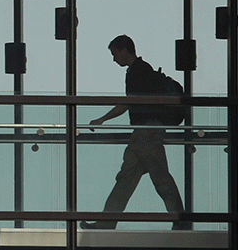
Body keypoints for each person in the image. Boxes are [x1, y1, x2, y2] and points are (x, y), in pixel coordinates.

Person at [81, 35, 190, 230]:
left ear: (124, 50)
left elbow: (127, 102)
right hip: (144, 132)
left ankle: (181, 221)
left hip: (147, 132)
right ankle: (105, 223)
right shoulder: (140, 70)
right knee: (127, 179)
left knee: (159, 178)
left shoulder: (138, 71)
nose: (114, 59)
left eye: (115, 54)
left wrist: (102, 119)